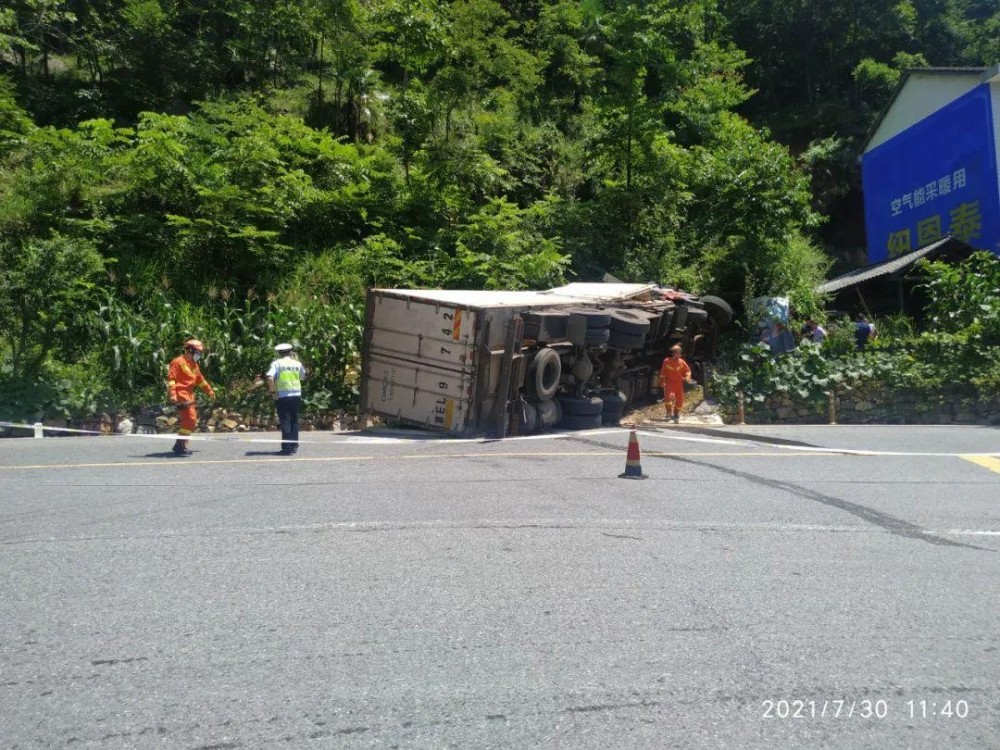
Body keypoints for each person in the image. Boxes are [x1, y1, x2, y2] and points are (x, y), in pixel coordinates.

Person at [166, 339, 215, 456]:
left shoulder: (194, 364)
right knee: (190, 419)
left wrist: (209, 391)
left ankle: (180, 444)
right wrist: (173, 394)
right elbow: (171, 379)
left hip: (190, 394)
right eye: (198, 352)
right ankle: (180, 445)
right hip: (181, 393)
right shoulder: (178, 362)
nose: (199, 355)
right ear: (190, 351)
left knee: (190, 420)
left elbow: (200, 380)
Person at [267, 342, 307, 455]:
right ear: (290, 352)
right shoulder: (297, 363)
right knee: (294, 420)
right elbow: (303, 377)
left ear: (279, 353)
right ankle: (294, 445)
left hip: (283, 396)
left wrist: (273, 391)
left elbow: (270, 378)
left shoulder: (277, 363)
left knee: (285, 421)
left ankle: (287, 447)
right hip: (296, 395)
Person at [660, 344, 693, 424]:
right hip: (669, 383)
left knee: (680, 400)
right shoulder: (666, 361)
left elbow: (688, 371)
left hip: (678, 383)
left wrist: (687, 377)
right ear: (673, 353)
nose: (678, 354)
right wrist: (661, 381)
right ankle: (669, 413)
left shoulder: (681, 362)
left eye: (679, 353)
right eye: (676, 353)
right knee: (668, 398)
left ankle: (676, 413)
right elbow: (662, 372)